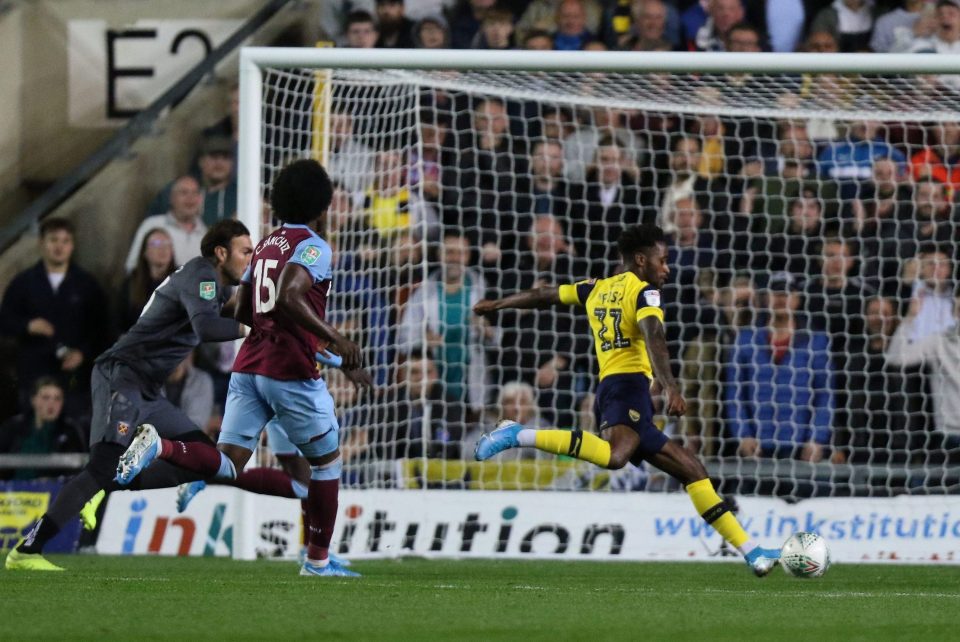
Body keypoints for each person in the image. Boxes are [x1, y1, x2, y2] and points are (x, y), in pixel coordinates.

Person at [473, 224, 782, 576]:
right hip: (628, 387)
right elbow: (654, 335)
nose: (666, 268)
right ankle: (517, 434)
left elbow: (545, 294)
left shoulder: (596, 287)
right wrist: (671, 386)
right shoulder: (644, 293)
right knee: (615, 456)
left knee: (693, 471)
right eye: (662, 261)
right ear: (640, 260)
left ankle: (752, 552)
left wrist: (498, 304)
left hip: (617, 389)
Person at [112, 160, 370, 578]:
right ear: (322, 207)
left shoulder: (265, 244)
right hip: (289, 374)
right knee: (326, 466)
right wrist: (337, 341)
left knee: (230, 462)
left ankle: (160, 447)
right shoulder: (315, 247)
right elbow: (288, 296)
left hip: (249, 367)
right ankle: (318, 562)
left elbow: (244, 307)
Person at [5, 220, 253, 572]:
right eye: (246, 251)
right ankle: (28, 551)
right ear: (221, 252)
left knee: (203, 458)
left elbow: (230, 309)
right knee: (101, 466)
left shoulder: (210, 283)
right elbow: (208, 327)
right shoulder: (202, 277)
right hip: (121, 375)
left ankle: (106, 486)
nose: (251, 258)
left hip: (149, 388)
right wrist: (258, 326)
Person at [0, 217, 108, 417]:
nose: (59, 246)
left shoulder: (86, 284)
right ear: (42, 243)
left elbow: (101, 329)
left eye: (65, 241)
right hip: (33, 376)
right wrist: (28, 325)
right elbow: (4, 320)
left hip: (74, 379)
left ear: (72, 245)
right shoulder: (23, 283)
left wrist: (82, 353)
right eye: (53, 240)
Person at [725, 272, 835, 463]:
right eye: (776, 293)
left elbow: (825, 394)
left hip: (800, 447)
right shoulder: (745, 340)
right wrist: (743, 435)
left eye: (787, 294)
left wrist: (816, 439)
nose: (781, 299)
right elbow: (735, 394)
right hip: (756, 446)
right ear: (767, 298)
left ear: (797, 299)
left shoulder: (816, 342)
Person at [0, 377, 86, 480]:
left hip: (54, 492)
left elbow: (78, 470)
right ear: (33, 400)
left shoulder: (70, 431)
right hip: (10, 491)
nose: (51, 404)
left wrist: (52, 480)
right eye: (45, 397)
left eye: (57, 398)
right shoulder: (13, 427)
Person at [125, 175, 208, 272]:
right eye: (184, 193)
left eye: (195, 193)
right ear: (172, 198)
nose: (190, 198)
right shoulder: (152, 225)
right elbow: (132, 266)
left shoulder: (207, 234)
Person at [116, 228, 177, 334]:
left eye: (167, 244)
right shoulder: (132, 284)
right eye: (155, 244)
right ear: (145, 252)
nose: (162, 248)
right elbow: (119, 324)